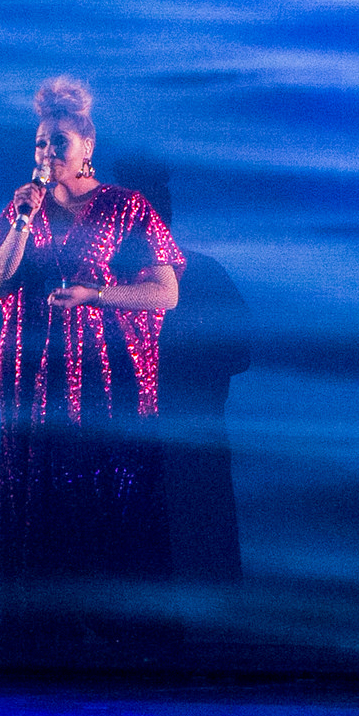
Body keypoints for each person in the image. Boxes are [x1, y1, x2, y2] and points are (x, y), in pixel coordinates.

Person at [0, 76, 185, 655]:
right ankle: (47, 628)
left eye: (59, 142)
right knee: (42, 487)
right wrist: (22, 221)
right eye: (40, 143)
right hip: (36, 375)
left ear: (87, 146)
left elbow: (165, 292)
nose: (47, 153)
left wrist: (97, 295)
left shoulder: (127, 207)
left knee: (107, 480)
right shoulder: (24, 208)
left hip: (106, 375)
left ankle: (122, 628)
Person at [113, 158, 250, 590]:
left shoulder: (201, 273)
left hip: (180, 440)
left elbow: (240, 351)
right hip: (153, 441)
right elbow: (240, 352)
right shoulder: (201, 272)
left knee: (189, 551)